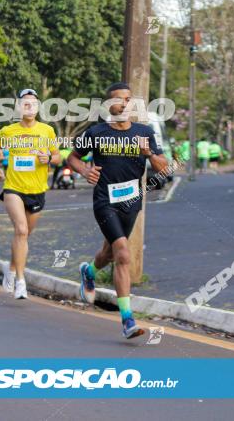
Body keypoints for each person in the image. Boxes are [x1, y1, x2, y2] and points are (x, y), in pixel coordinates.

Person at [70, 82, 167, 340]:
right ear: (107, 106)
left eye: (128, 99)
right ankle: (127, 320)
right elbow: (73, 158)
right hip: (105, 201)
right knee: (122, 253)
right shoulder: (96, 133)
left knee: (109, 253)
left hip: (132, 203)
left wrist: (149, 154)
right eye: (118, 100)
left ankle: (88, 272)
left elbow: (164, 167)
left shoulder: (144, 132)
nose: (124, 104)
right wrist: (84, 170)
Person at [0, 89, 61, 300]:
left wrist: (48, 157)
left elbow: (57, 157)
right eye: (25, 103)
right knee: (20, 231)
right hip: (14, 187)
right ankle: (21, 281)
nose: (29, 107)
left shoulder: (47, 131)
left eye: (33, 103)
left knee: (25, 235)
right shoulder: (8, 131)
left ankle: (11, 268)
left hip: (37, 191)